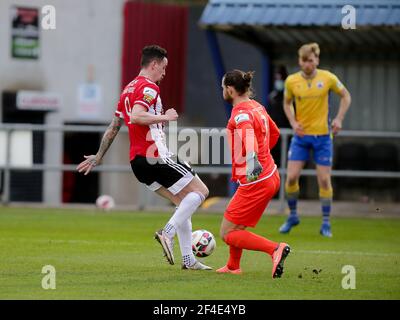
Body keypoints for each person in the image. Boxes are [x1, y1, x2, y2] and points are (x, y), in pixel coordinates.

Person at [76, 45, 211, 270]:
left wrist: (99, 156)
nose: (165, 73)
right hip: (155, 155)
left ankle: (188, 260)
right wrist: (164, 116)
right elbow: (137, 116)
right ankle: (166, 233)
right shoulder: (149, 87)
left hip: (138, 163)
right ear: (154, 64)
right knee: (201, 192)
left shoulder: (127, 90)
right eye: (164, 68)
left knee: (182, 203)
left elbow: (114, 126)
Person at [216, 69, 290, 278]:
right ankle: (233, 266)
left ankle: (275, 249)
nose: (222, 90)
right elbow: (274, 134)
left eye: (223, 88)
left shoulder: (240, 112)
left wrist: (252, 159)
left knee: (227, 233)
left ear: (230, 90)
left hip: (256, 180)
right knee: (236, 225)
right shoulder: (258, 107)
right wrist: (261, 155)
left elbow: (247, 133)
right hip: (269, 175)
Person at [279, 43, 351, 237]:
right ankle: (292, 216)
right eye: (304, 61)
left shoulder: (328, 78)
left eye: (311, 60)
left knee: (324, 180)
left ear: (317, 60)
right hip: (301, 137)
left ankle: (326, 223)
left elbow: (346, 96)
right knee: (291, 177)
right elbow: (286, 103)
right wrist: (293, 122)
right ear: (299, 61)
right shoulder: (291, 81)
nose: (307, 64)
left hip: (323, 138)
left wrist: (339, 119)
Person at [267, 65, 291, 168]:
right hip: (274, 136)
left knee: (286, 163)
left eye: (281, 79)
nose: (278, 81)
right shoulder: (272, 96)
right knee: (274, 163)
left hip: (287, 136)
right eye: (277, 78)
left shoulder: (290, 97)